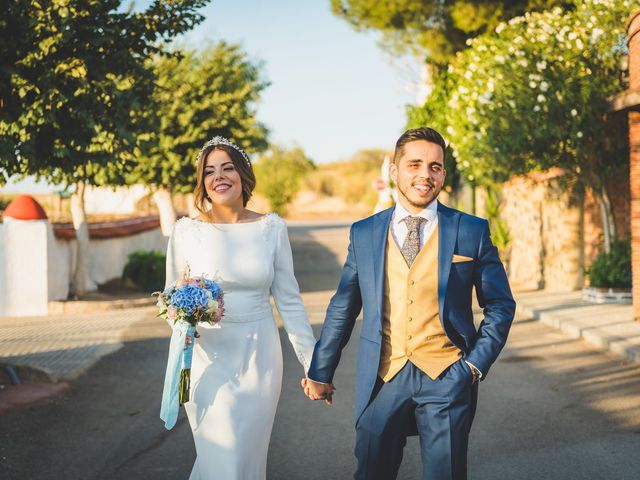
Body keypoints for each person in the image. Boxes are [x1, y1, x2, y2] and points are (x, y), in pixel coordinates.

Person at [303, 127, 515, 480]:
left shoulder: (471, 230)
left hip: (448, 376)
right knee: (371, 471)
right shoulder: (365, 232)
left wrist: (473, 367)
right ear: (394, 170)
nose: (425, 175)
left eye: (435, 166)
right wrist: (320, 370)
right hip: (382, 377)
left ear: (444, 174)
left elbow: (500, 305)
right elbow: (344, 305)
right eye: (415, 164)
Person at [164, 136, 316, 479]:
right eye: (210, 171)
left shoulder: (271, 228)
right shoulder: (186, 231)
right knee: (222, 455)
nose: (219, 177)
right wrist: (185, 326)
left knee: (245, 459)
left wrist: (313, 363)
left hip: (259, 356)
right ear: (202, 182)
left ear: (243, 175)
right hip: (206, 357)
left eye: (227, 168)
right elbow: (170, 298)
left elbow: (289, 301)